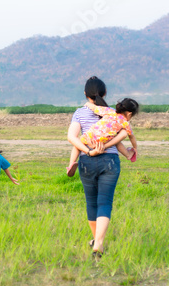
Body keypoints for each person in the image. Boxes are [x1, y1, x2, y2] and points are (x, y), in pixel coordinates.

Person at [67, 76, 130, 259]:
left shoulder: (79, 113)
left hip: (87, 159)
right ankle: (99, 244)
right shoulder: (112, 113)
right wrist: (127, 152)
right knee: (105, 202)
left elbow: (72, 138)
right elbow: (122, 136)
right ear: (105, 93)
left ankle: (96, 240)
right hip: (110, 161)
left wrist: (88, 151)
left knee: (91, 202)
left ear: (85, 94)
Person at [66, 98, 140, 177]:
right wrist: (135, 147)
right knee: (117, 140)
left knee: (78, 144)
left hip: (91, 136)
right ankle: (128, 155)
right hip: (103, 141)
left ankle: (71, 163)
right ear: (129, 114)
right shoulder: (125, 123)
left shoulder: (110, 111)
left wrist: (87, 104)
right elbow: (131, 137)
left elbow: (95, 108)